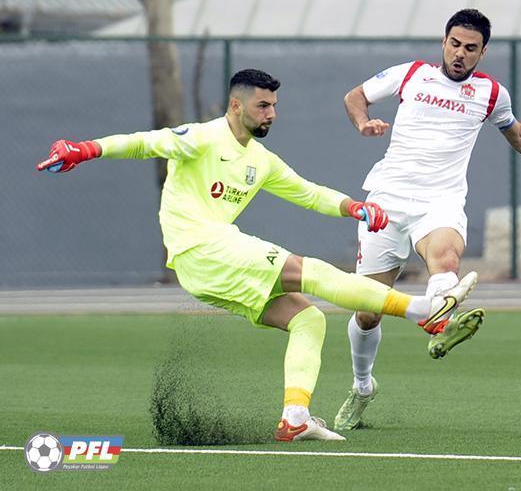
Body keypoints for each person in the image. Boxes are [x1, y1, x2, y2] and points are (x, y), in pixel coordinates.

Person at [36, 68, 478, 442]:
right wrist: (85, 149)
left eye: (274, 106)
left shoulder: (260, 160)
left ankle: (295, 418)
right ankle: (423, 312)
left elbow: (307, 192)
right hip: (202, 247)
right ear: (236, 105)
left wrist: (354, 207)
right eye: (263, 106)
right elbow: (144, 142)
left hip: (205, 269)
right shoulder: (203, 137)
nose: (272, 114)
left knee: (308, 319)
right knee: (308, 270)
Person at [335, 8, 521, 431]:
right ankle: (363, 385)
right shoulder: (411, 74)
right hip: (387, 200)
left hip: (439, 202)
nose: (460, 54)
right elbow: (355, 96)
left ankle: (441, 320)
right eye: (455, 44)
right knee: (368, 311)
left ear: (483, 52)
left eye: (470, 48)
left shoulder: (491, 94)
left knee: (445, 257)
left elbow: (519, 134)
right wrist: (364, 123)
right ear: (443, 42)